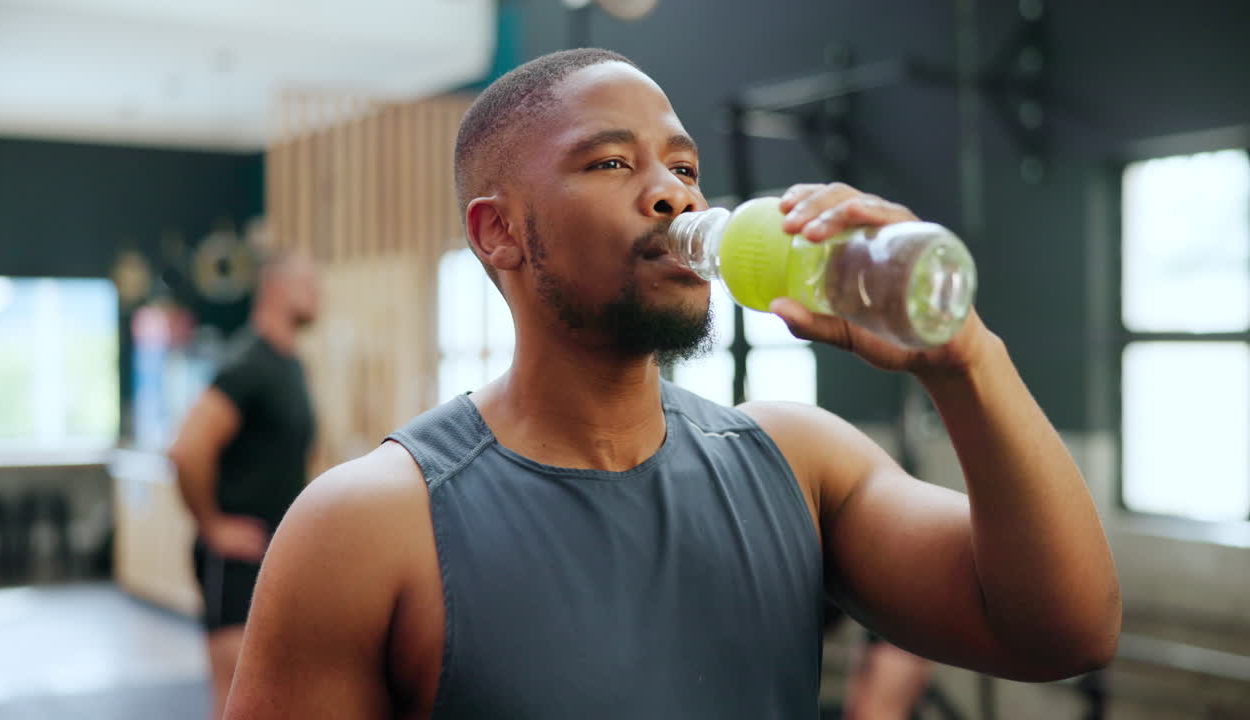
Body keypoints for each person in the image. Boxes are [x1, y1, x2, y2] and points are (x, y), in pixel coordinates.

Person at [225, 49, 1120, 719]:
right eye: (612, 162)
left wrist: (964, 360)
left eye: (685, 168)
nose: (675, 197)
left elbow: (1063, 632)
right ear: (498, 234)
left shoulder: (797, 462)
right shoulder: (366, 524)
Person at [168, 251, 318, 720]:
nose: (319, 293)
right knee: (237, 701)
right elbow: (188, 448)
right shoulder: (248, 363)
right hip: (236, 562)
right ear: (275, 286)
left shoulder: (290, 366)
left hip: (277, 557)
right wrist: (213, 526)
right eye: (308, 282)